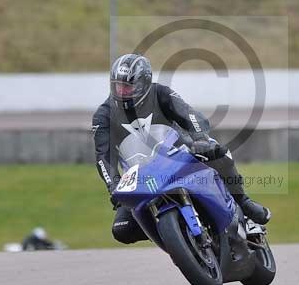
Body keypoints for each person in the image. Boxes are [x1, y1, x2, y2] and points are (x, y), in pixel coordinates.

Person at [92, 53, 272, 244]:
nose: (122, 92)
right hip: (141, 177)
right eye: (117, 86)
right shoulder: (103, 115)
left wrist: (201, 139)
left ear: (144, 83)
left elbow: (189, 114)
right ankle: (175, 234)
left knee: (218, 152)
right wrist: (114, 185)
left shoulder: (160, 93)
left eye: (128, 87)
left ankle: (242, 202)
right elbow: (103, 156)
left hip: (178, 156)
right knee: (122, 230)